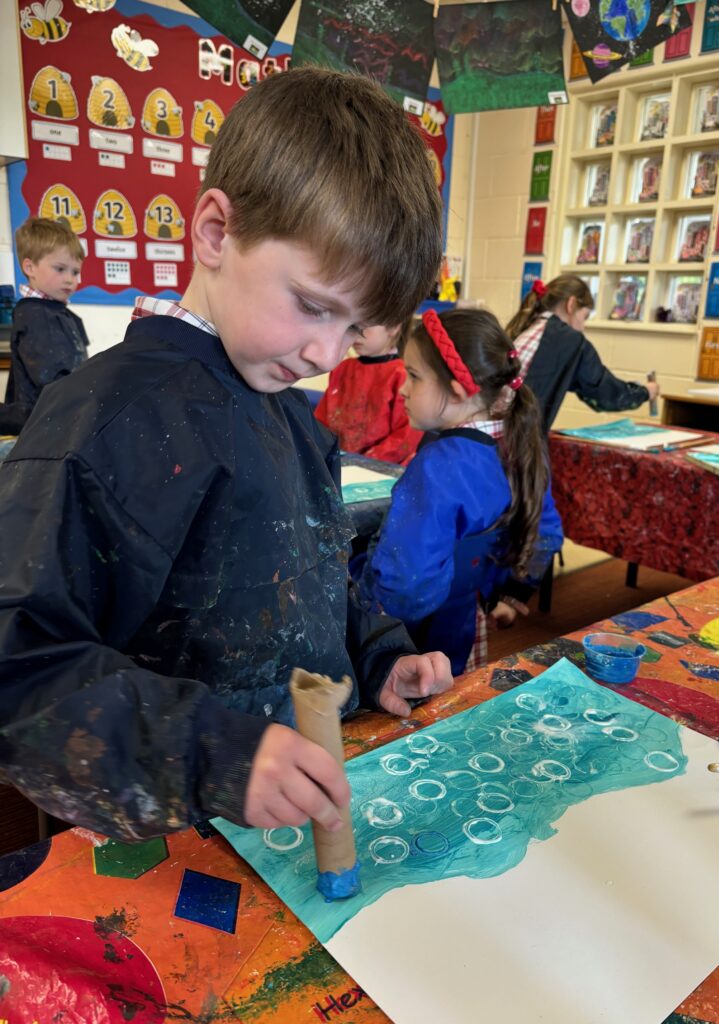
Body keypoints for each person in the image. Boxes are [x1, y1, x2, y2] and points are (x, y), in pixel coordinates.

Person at [0, 67, 452, 843]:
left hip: (290, 827)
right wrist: (212, 753)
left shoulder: (291, 413)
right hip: (175, 843)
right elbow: (21, 665)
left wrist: (374, 655)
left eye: (351, 332)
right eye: (312, 305)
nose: (322, 352)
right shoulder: (106, 418)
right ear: (214, 231)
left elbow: (310, 571)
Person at [353, 308, 563, 676]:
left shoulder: (438, 466)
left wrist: (364, 610)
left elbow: (408, 584)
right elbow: (546, 530)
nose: (403, 388)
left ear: (456, 390)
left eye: (414, 377)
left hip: (412, 645)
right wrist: (513, 593)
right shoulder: (520, 441)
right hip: (465, 624)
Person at [505, 275, 660, 432]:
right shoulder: (566, 339)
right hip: (513, 437)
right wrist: (645, 392)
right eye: (584, 316)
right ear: (571, 305)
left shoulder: (528, 327)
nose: (583, 327)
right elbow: (604, 391)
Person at [0, 217, 89, 435]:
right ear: (30, 267)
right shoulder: (36, 315)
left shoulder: (63, 315)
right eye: (60, 269)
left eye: (75, 272)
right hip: (41, 429)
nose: (70, 279)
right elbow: (52, 379)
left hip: (59, 419)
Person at [314, 320, 422, 464]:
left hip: (380, 471)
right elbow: (321, 421)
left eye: (365, 326)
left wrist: (364, 463)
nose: (356, 335)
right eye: (352, 326)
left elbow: (406, 436)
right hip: (337, 462)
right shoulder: (342, 369)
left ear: (393, 327)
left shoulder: (401, 375)